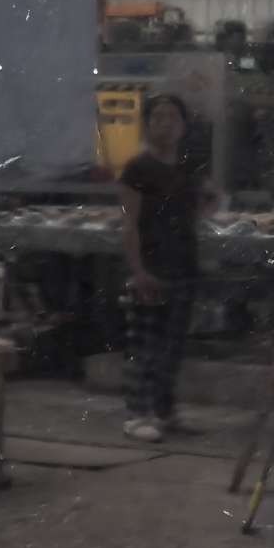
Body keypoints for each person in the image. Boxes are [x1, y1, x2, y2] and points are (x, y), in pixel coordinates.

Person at [117, 94, 220, 442]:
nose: (165, 124)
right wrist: (138, 271)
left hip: (184, 264)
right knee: (145, 345)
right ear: (147, 124)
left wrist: (209, 199)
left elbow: (204, 206)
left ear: (184, 126)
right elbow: (129, 224)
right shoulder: (137, 169)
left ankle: (164, 413)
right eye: (158, 117)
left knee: (172, 348)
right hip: (150, 266)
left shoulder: (189, 168)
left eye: (172, 117)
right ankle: (137, 415)